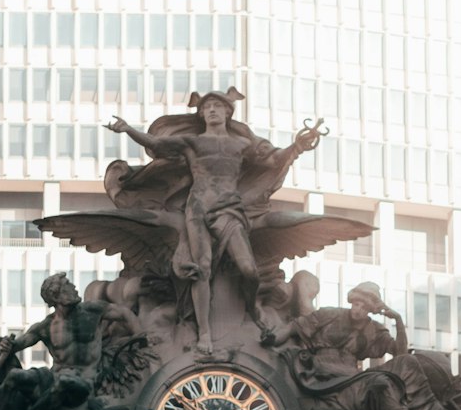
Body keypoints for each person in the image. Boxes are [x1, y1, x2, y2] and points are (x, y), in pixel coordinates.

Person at [106, 89, 322, 354]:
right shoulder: (193, 143)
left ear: (227, 112)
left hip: (229, 209)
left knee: (249, 270)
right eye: (207, 106)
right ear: (201, 113)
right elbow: (156, 144)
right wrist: (128, 129)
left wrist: (297, 146)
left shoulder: (241, 145)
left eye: (217, 106)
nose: (211, 110)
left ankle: (252, 306)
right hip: (197, 209)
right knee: (202, 268)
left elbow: (274, 159)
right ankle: (204, 334)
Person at [262, 281, 451, 410]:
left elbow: (400, 352)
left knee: (408, 362)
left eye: (364, 306)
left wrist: (398, 321)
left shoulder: (374, 330)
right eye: (356, 304)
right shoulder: (330, 314)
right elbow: (294, 327)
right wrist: (273, 338)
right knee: (381, 384)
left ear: (370, 309)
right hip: (325, 372)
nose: (358, 309)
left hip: (352, 375)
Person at [0, 273, 137, 410]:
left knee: (65, 381)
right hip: (53, 378)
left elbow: (125, 313)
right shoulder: (46, 326)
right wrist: (8, 344)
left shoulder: (92, 311)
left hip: (84, 383)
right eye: (67, 285)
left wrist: (142, 336)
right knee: (15, 375)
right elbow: (20, 343)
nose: (74, 287)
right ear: (56, 295)